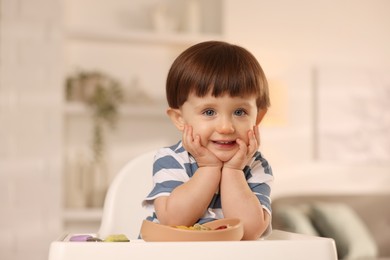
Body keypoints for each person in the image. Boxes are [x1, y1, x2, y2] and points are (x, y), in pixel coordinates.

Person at [142, 41, 273, 240]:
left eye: (240, 112)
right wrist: (209, 168)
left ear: (258, 118)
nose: (226, 127)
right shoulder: (170, 159)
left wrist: (233, 171)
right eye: (209, 112)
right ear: (180, 119)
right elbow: (173, 220)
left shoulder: (255, 165)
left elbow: (249, 231)